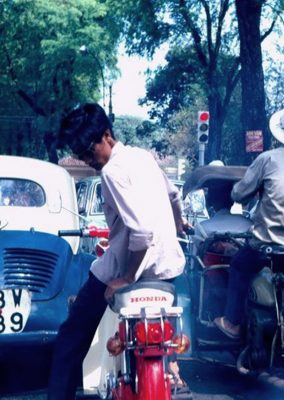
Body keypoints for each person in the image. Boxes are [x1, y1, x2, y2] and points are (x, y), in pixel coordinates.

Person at [48, 103, 188, 399]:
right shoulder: (143, 156)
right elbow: (174, 195)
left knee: (69, 340)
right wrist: (178, 227)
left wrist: (126, 277)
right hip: (166, 270)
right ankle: (172, 372)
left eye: (88, 151)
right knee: (164, 347)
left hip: (127, 269)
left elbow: (140, 233)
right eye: (81, 155)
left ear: (107, 135)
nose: (88, 160)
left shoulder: (111, 171)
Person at [213, 103, 284, 339]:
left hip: (268, 247)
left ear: (281, 131)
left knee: (239, 266)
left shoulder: (267, 159)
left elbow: (239, 195)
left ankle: (233, 322)